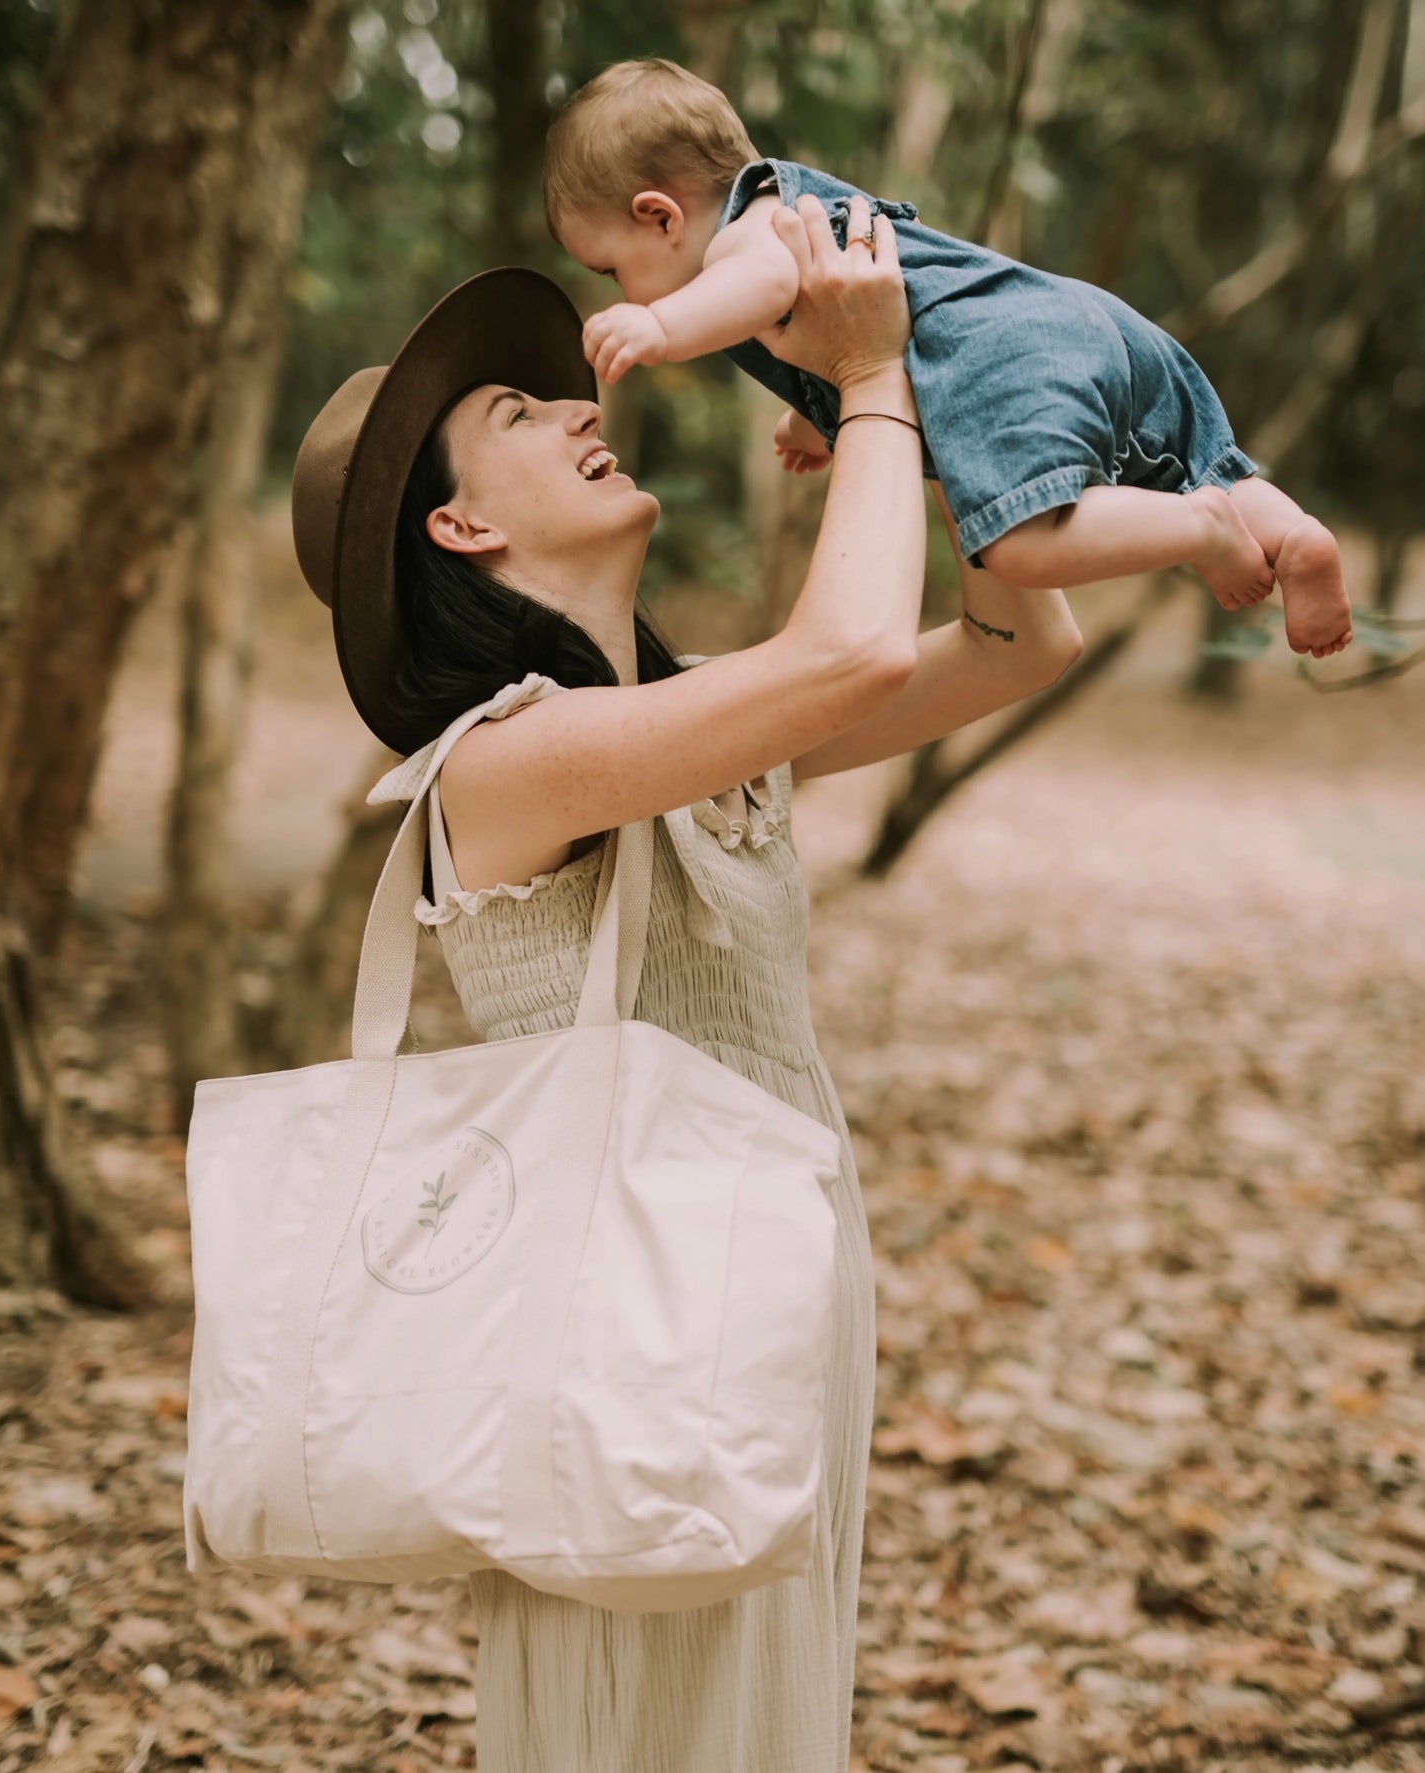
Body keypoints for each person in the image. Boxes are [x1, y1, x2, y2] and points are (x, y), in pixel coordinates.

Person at [290, 194, 1080, 1773]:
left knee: (756, 1726)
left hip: (781, 1266)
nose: (585, 406)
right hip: (628, 1311)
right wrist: (865, 380)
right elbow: (849, 655)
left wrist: (919, 423)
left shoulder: (695, 714)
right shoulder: (507, 762)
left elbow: (1019, 636)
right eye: (521, 414)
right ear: (462, 528)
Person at [543, 55, 1354, 661]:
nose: (626, 291)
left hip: (1004, 355)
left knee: (1020, 546)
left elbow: (767, 282)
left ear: (659, 216)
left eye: (611, 269)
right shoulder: (787, 215)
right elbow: (838, 337)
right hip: (1076, 320)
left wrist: (660, 330)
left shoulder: (756, 232)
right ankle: (1292, 535)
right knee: (1185, 459)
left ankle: (1202, 527)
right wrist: (811, 419)